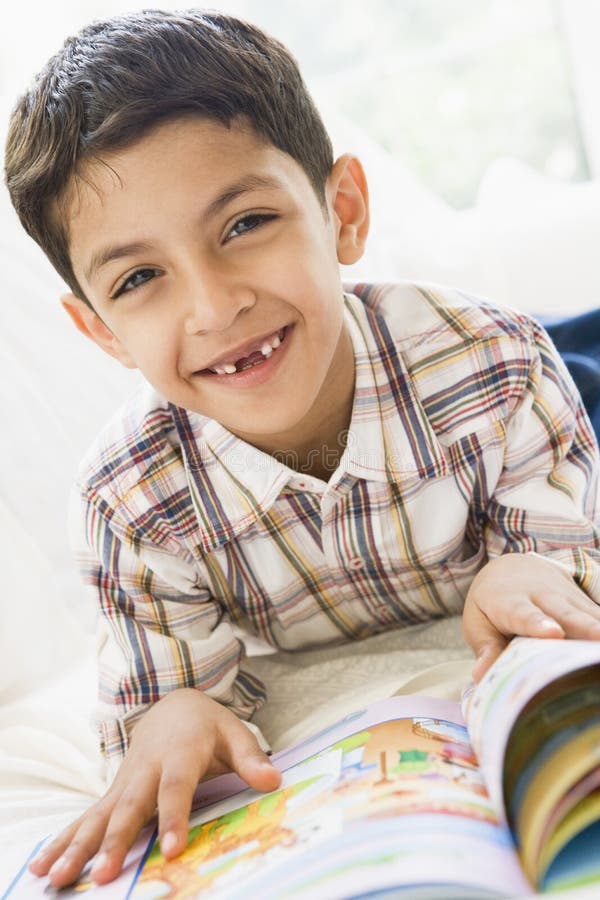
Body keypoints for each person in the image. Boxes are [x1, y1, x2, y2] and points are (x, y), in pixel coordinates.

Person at [4, 8, 600, 889]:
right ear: (101, 332)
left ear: (342, 212)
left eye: (244, 223)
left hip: (525, 377)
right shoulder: (131, 503)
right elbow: (165, 699)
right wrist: (174, 715)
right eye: (140, 277)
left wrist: (530, 573)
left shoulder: (496, 365)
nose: (215, 306)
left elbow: (568, 574)